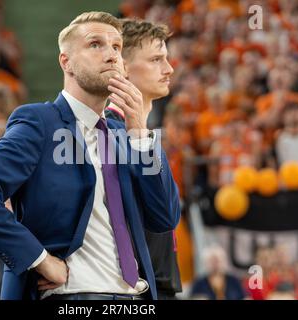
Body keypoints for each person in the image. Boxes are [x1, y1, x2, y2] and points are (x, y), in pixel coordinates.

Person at [0, 11, 180, 300]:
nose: (110, 54)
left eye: (116, 47)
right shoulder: (40, 122)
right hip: (74, 295)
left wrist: (141, 135)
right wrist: (40, 259)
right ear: (65, 62)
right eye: (95, 44)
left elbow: (164, 218)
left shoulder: (128, 135)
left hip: (134, 298)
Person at [104, 18, 181, 299]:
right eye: (156, 59)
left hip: (158, 283)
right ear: (123, 66)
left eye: (167, 59)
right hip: (131, 289)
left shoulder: (142, 132)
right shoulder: (105, 132)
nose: (168, 68)